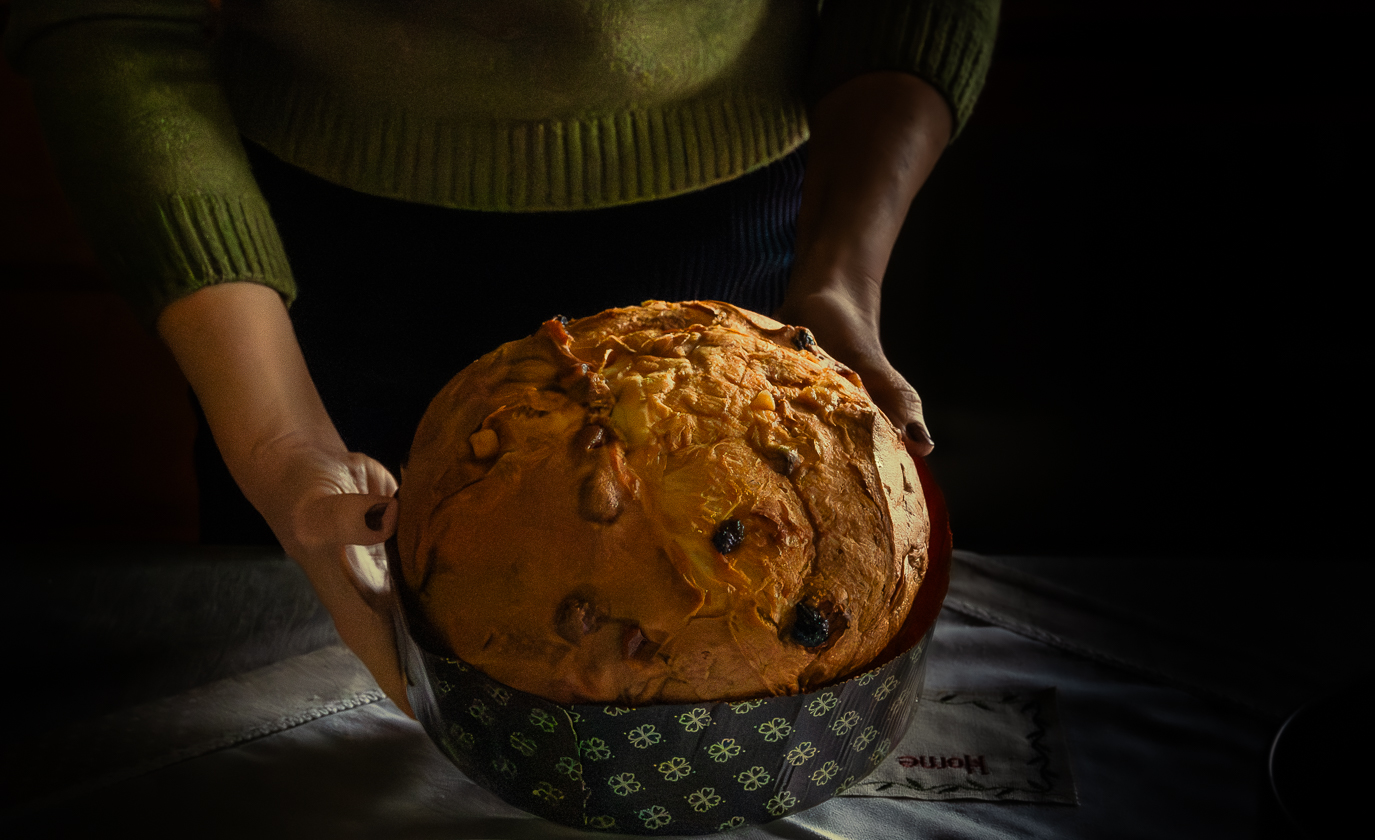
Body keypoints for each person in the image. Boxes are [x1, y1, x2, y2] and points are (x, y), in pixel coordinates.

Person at [7, 0, 999, 712]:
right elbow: (106, 15)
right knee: (285, 715)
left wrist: (837, 283)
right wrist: (277, 443)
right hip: (299, 271)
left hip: (753, 244)